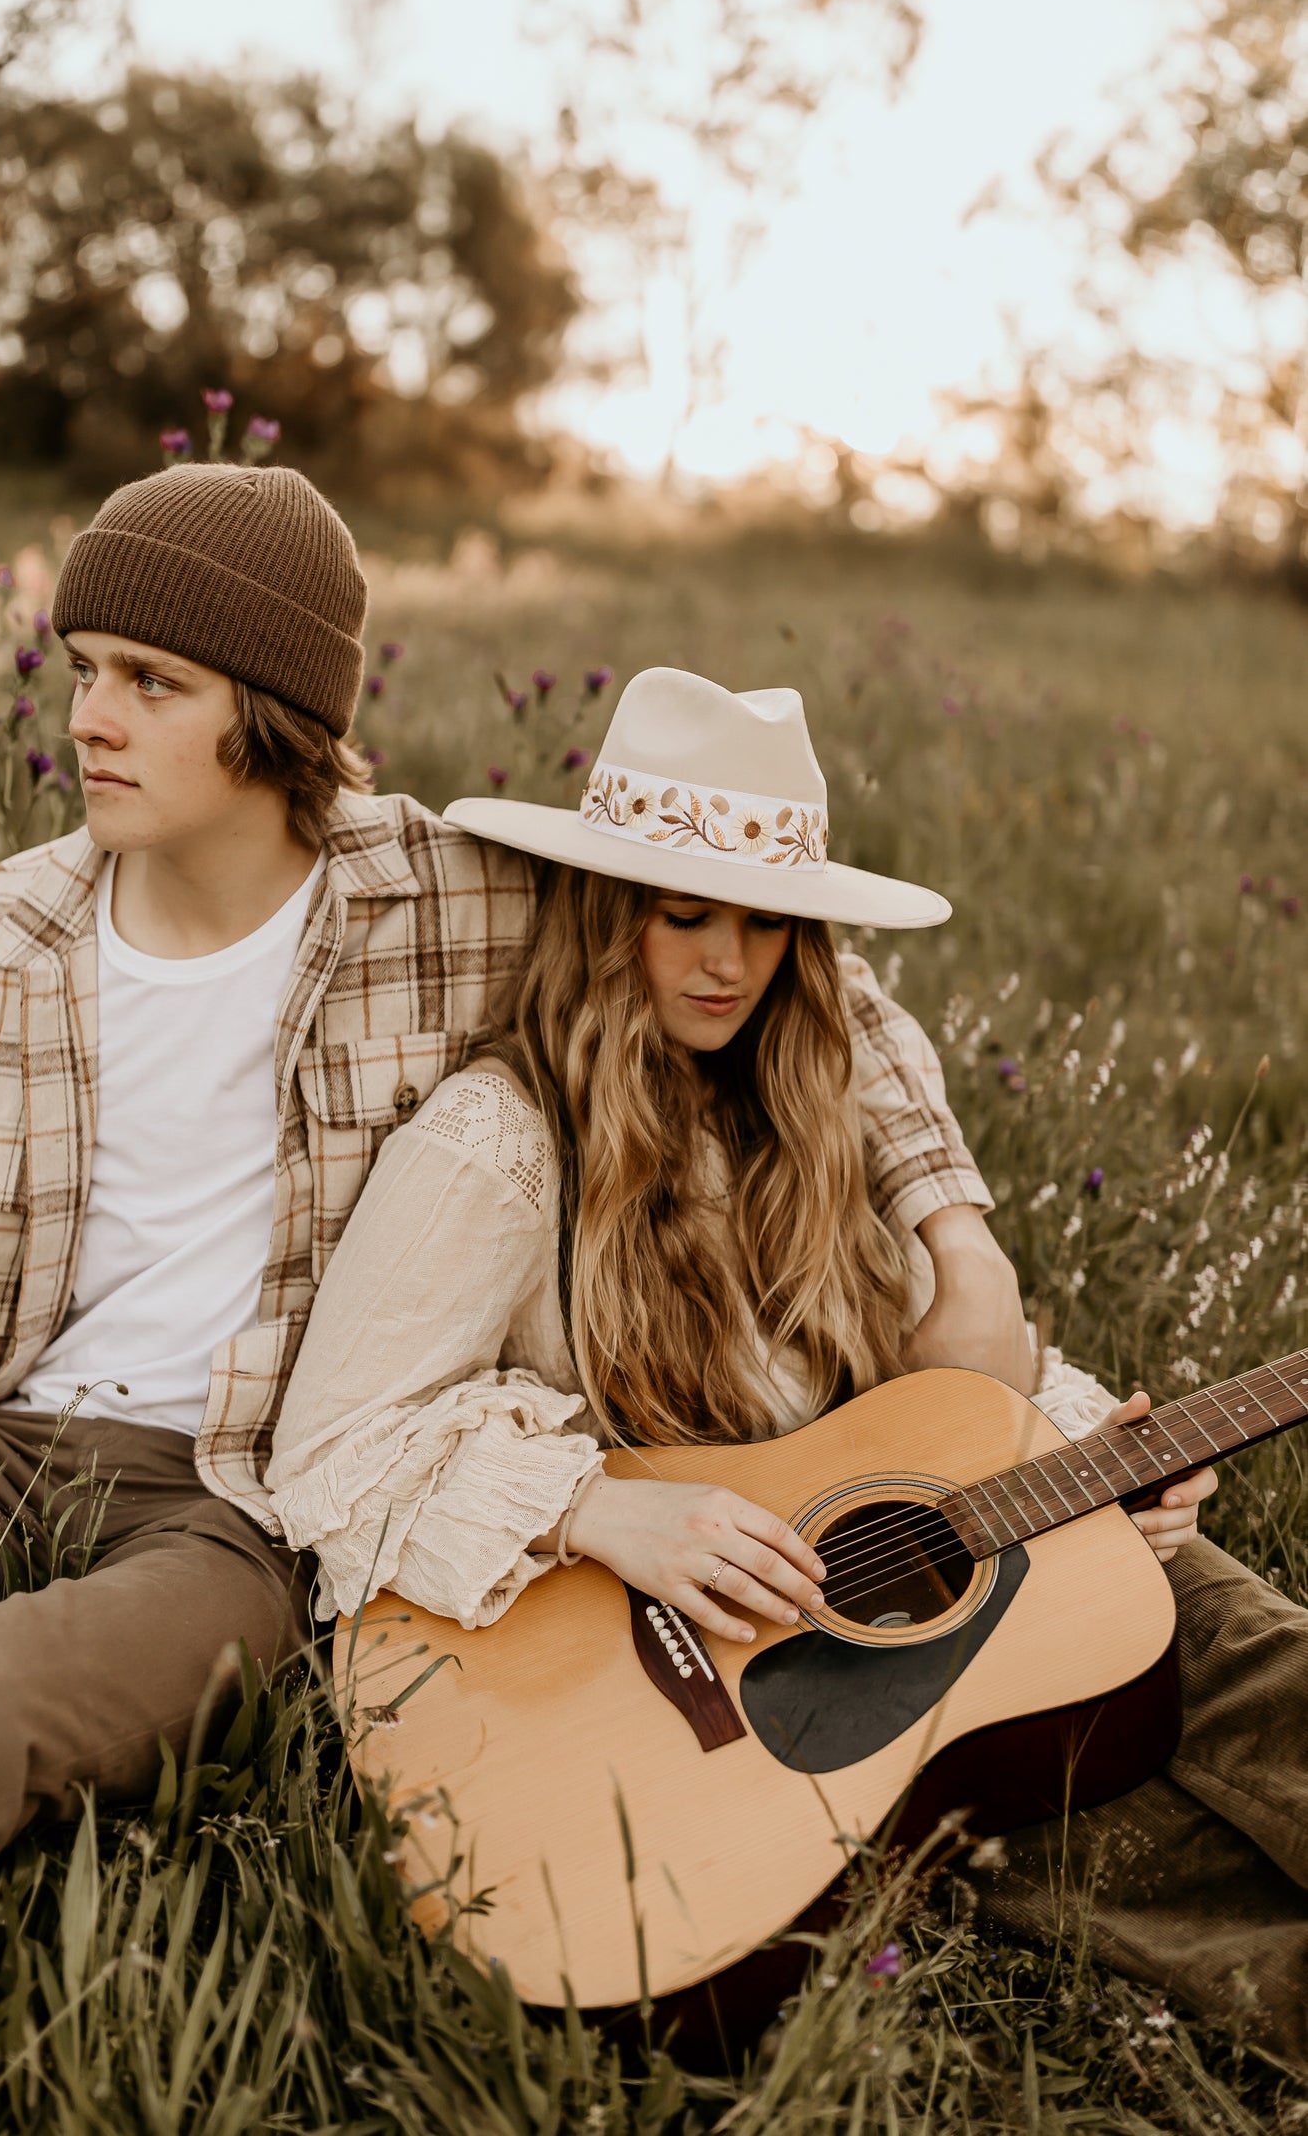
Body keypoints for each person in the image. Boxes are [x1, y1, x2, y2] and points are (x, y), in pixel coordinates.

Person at [0, 482, 990, 1960]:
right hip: (3, 1438)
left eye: (151, 681)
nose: (86, 718)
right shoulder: (4, 936)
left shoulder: (451, 900)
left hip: (252, 1505)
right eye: (84, 670)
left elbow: (808, 986)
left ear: (268, 709)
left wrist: (950, 1225)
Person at [264, 666, 1308, 2066]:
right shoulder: (498, 1141)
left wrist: (1090, 1455)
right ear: (603, 911)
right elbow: (328, 1454)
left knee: (1241, 1650)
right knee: (1131, 1861)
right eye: (681, 914)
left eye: (766, 923)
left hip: (889, 1578)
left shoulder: (813, 1111)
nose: (724, 962)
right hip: (637, 1669)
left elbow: (915, 1414)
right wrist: (595, 1511)